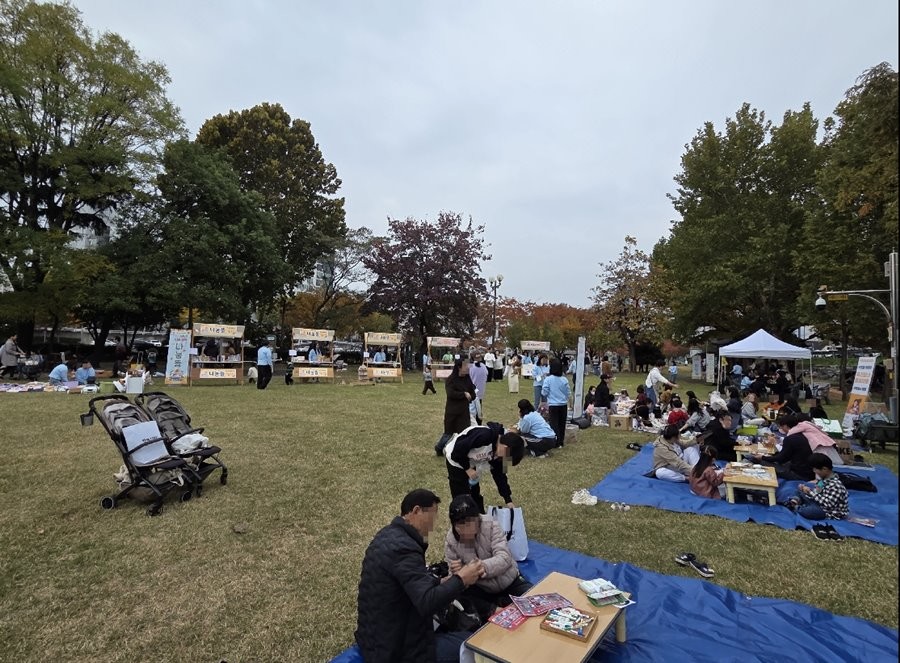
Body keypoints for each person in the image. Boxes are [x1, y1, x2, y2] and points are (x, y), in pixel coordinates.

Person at [355, 489, 485, 663]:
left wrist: (440, 581)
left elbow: (405, 582)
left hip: (375, 637)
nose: (433, 524)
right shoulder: (404, 548)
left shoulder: (388, 536)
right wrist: (461, 580)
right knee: (476, 644)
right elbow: (427, 602)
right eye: (432, 515)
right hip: (395, 651)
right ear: (416, 511)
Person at [444, 495, 533, 621]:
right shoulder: (451, 540)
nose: (466, 530)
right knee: (460, 596)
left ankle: (500, 607)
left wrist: (479, 568)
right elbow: (455, 580)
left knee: (534, 599)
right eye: (460, 526)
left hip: (509, 581)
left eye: (470, 524)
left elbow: (504, 557)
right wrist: (457, 574)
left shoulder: (490, 524)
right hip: (482, 589)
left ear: (478, 519)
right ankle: (494, 611)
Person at [444, 422, 525, 514]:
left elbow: (500, 476)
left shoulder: (500, 454)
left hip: (471, 461)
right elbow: (457, 451)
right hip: (456, 460)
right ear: (505, 448)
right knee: (461, 496)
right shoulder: (484, 436)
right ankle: (461, 519)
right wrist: (467, 469)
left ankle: (480, 516)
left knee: (474, 492)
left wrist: (508, 500)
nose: (503, 460)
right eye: (507, 458)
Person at [746, 414, 815, 481]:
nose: (781, 429)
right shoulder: (801, 435)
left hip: (798, 474)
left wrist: (763, 457)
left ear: (785, 426)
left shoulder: (790, 438)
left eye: (781, 427)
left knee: (752, 458)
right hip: (807, 472)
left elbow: (781, 459)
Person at [784, 454, 849, 520]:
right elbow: (818, 493)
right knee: (799, 491)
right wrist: (805, 490)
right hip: (818, 503)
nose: (814, 471)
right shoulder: (823, 480)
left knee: (811, 511)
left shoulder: (836, 485)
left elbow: (827, 504)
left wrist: (810, 492)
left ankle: (796, 507)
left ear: (824, 469)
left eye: (815, 469)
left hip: (828, 511)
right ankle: (794, 501)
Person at [541, 358, 570, 447]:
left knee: (554, 424)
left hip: (553, 405)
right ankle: (561, 441)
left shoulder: (548, 379)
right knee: (562, 424)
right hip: (563, 404)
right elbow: (568, 392)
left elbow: (544, 392)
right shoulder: (564, 379)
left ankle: (556, 442)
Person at [444, 358, 477, 436]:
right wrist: (463, 394)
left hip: (464, 413)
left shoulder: (467, 379)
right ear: (459, 367)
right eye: (466, 366)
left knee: (464, 435)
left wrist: (470, 396)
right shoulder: (451, 379)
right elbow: (450, 393)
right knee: (448, 435)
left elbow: (473, 394)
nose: (468, 368)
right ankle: (439, 448)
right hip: (452, 412)